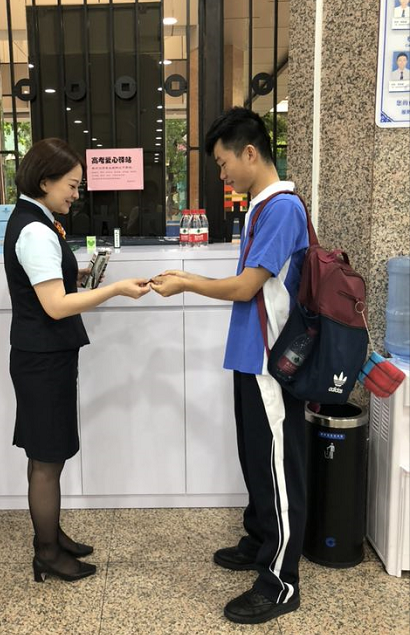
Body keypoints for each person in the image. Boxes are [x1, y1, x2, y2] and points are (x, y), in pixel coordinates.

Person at [151, 107, 309, 625]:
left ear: (250, 153)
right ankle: (261, 538)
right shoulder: (261, 208)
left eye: (223, 164)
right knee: (256, 457)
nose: (222, 175)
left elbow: (245, 288)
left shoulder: (282, 208)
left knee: (278, 467)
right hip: (250, 354)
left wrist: (186, 281)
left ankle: (281, 582)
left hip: (272, 360)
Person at [3, 138, 150, 584]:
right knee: (47, 459)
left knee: (46, 455)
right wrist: (115, 289)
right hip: (42, 361)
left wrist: (77, 274)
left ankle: (50, 535)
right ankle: (47, 552)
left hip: (41, 358)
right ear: (44, 181)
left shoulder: (35, 221)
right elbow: (55, 306)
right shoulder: (34, 231)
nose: (76, 194)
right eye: (71, 185)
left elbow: (47, 285)